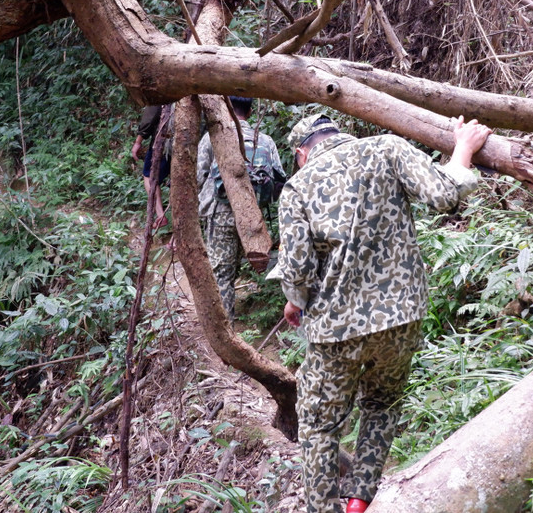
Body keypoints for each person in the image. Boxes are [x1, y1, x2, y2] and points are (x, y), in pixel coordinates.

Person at [268, 113, 491, 513]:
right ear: (338, 135)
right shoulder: (386, 148)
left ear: (302, 153)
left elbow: (298, 270)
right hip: (402, 318)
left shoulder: (298, 187)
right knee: (382, 404)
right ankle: (358, 501)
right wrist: (463, 148)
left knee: (319, 427)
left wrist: (295, 302)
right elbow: (443, 194)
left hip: (337, 329)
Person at [196, 96, 284, 319]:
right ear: (251, 111)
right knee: (239, 267)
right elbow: (279, 179)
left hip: (220, 213)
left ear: (227, 110)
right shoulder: (265, 140)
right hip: (253, 217)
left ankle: (224, 331)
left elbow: (198, 176)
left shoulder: (213, 137)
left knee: (221, 273)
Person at [131, 104, 171, 231]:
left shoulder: (163, 90)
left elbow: (151, 114)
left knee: (149, 176)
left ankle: (160, 215)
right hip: (192, 141)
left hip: (165, 140)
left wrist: (138, 141)